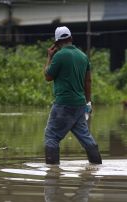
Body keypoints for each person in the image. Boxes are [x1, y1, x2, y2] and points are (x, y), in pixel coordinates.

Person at [43, 26, 102, 165]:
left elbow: (48, 76)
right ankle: (97, 166)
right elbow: (88, 81)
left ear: (57, 43)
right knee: (85, 137)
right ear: (71, 38)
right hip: (80, 105)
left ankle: (52, 175)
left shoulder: (59, 55)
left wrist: (49, 57)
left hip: (63, 104)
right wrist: (88, 102)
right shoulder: (83, 56)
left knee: (51, 136)